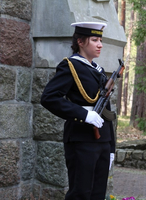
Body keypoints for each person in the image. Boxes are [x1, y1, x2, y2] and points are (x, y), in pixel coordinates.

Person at [40, 22, 115, 200]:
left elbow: (106, 109)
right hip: (81, 138)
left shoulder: (99, 70)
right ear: (80, 42)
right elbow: (49, 97)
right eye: (94, 39)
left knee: (98, 194)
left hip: (102, 139)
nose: (100, 44)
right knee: (80, 193)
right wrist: (84, 114)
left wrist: (111, 146)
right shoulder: (70, 66)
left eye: (101, 40)